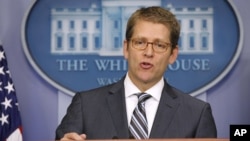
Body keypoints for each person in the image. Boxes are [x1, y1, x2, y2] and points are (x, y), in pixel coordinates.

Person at [55, 6, 217, 140]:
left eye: (160, 45)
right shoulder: (86, 105)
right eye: (140, 42)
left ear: (173, 54)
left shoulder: (197, 113)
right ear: (126, 48)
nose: (148, 52)